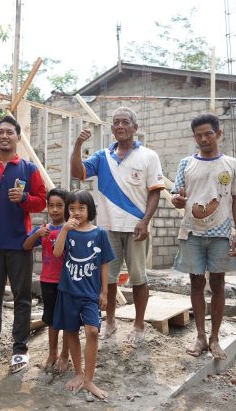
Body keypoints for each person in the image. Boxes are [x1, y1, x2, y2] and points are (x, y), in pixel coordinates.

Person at [71, 106, 165, 346]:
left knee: (138, 278)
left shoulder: (149, 156)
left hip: (136, 228)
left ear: (135, 127)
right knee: (108, 279)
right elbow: (77, 172)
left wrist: (145, 222)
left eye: (125, 122)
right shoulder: (103, 156)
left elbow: (155, 192)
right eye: (116, 122)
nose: (120, 126)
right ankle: (110, 322)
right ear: (112, 128)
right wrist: (78, 146)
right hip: (107, 228)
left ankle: (139, 324)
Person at [0, 115, 47, 373]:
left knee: (22, 298)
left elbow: (42, 201)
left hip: (20, 244)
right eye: (0, 132)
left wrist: (24, 197)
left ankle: (20, 349)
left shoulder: (29, 169)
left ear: (17, 136)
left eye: (9, 132)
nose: (4, 136)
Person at [170, 113, 236, 360]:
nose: (203, 139)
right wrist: (177, 199)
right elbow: (176, 196)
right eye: (198, 135)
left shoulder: (232, 164)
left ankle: (215, 338)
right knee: (195, 283)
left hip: (221, 234)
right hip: (192, 231)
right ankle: (200, 336)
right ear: (194, 138)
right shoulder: (186, 163)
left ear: (218, 134)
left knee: (218, 284)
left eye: (208, 134)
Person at [52, 190, 115, 400]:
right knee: (70, 331)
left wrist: (104, 292)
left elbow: (104, 264)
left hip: (90, 293)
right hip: (68, 291)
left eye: (81, 208)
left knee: (92, 332)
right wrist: (64, 230)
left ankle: (89, 380)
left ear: (90, 210)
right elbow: (57, 253)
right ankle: (78, 373)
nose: (76, 212)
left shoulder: (100, 234)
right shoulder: (67, 230)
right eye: (72, 209)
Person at [23, 187, 70, 373]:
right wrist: (37, 234)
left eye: (60, 206)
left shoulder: (70, 230)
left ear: (66, 208)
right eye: (51, 206)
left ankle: (65, 355)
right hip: (47, 281)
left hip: (67, 283)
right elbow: (26, 245)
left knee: (67, 320)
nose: (55, 210)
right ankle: (52, 353)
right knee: (51, 320)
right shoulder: (44, 229)